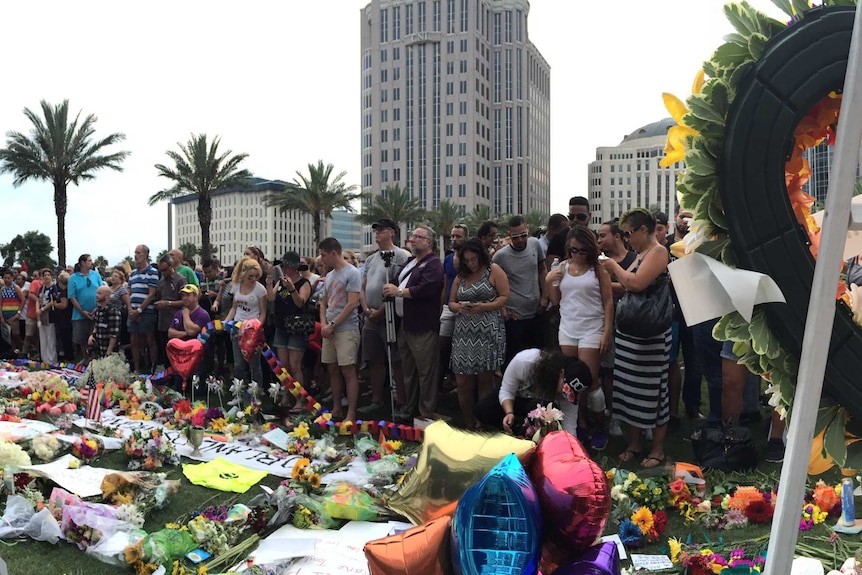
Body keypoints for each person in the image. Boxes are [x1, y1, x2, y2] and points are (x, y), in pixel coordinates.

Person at [600, 208, 671, 469]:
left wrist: (612, 267)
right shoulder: (641, 253)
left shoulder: (659, 251)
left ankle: (658, 448)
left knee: (653, 390)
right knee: (629, 388)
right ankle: (635, 442)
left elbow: (638, 283)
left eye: (629, 233)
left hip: (651, 334)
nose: (626, 239)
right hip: (631, 334)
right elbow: (628, 283)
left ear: (643, 230)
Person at [546, 225, 614, 450]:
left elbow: (607, 301)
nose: (577, 254)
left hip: (591, 329)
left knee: (591, 381)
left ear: (590, 249)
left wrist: (606, 332)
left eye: (582, 251)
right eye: (573, 250)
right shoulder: (562, 268)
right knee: (570, 382)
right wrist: (549, 281)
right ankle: (576, 426)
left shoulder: (599, 269)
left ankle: (600, 426)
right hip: (568, 328)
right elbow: (556, 301)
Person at [383, 226, 445, 422]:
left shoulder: (433, 264)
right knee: (409, 369)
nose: (413, 240)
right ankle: (410, 407)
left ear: (428, 242)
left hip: (423, 325)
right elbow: (397, 282)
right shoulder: (411, 262)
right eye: (412, 237)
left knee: (426, 371)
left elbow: (428, 288)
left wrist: (399, 292)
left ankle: (426, 411)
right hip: (406, 324)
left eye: (418, 237)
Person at [448, 239, 509, 429]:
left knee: (484, 379)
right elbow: (450, 301)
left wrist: (484, 307)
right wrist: (458, 307)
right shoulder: (462, 276)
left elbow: (504, 296)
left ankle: (483, 421)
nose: (471, 263)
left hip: (487, 330)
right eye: (467, 260)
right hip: (463, 333)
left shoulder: (494, 270)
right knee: (463, 381)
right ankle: (468, 422)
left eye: (474, 259)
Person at [475, 348, 590, 436]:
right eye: (564, 389)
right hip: (516, 401)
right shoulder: (525, 361)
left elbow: (569, 426)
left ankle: (532, 435)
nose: (562, 395)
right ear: (561, 373)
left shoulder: (568, 397)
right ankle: (512, 428)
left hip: (536, 408)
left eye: (568, 394)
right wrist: (509, 413)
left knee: (548, 411)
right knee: (483, 408)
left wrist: (571, 448)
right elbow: (506, 390)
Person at [360, 219, 409, 415]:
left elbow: (398, 286)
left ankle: (402, 401)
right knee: (374, 359)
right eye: (375, 230)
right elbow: (363, 286)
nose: (377, 233)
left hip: (388, 316)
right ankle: (377, 399)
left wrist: (380, 310)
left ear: (391, 232)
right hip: (370, 315)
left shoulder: (400, 256)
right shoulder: (371, 259)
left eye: (381, 230)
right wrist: (365, 308)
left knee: (396, 360)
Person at [597, 220, 637, 437]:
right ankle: (614, 415)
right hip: (607, 323)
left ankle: (639, 421)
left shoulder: (634, 259)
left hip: (633, 323)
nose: (599, 240)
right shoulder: (599, 262)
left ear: (618, 236)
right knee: (610, 372)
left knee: (632, 371)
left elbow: (631, 285)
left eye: (603, 235)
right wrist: (623, 285)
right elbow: (625, 286)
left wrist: (613, 285)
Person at [492, 215, 548, 364]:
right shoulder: (500, 256)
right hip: (514, 316)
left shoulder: (535, 244)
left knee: (537, 356)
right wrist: (502, 308)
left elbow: (543, 270)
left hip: (536, 311)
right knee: (516, 358)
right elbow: (493, 283)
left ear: (528, 230)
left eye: (523, 236)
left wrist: (545, 297)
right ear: (509, 235)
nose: (520, 241)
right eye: (515, 237)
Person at [318, 237, 362, 422]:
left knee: (348, 370)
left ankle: (351, 412)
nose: (321, 259)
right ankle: (336, 408)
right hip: (329, 329)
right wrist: (324, 324)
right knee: (332, 369)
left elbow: (352, 303)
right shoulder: (329, 276)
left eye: (323, 255)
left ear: (333, 253)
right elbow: (323, 302)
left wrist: (333, 324)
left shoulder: (352, 273)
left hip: (346, 329)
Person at [270, 252, 313, 394]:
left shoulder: (304, 283)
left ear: (295, 268)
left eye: (287, 266)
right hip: (281, 326)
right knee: (284, 366)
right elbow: (270, 297)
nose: (284, 268)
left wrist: (292, 289)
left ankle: (300, 399)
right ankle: (286, 396)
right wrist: (269, 282)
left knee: (295, 365)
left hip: (297, 328)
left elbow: (300, 303)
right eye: (283, 265)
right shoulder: (281, 281)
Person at [224, 256, 269, 385]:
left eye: (256, 276)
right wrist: (226, 321)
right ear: (243, 275)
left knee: (254, 365)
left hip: (252, 330)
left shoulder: (260, 289)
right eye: (250, 277)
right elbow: (234, 308)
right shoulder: (236, 286)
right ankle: (238, 392)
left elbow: (263, 313)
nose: (253, 279)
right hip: (237, 328)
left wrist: (256, 329)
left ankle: (256, 393)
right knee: (238, 364)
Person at [439, 224, 469, 394]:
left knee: (461, 346)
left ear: (465, 237)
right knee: (443, 344)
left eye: (458, 236)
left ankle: (459, 382)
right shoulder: (449, 259)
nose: (454, 239)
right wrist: (441, 306)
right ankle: (445, 378)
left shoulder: (471, 259)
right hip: (448, 307)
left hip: (466, 306)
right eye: (452, 236)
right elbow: (444, 284)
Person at [128, 245, 160, 374]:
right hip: (133, 312)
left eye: (139, 253)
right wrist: (131, 310)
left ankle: (153, 367)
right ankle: (136, 368)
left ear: (146, 255)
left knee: (149, 338)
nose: (136, 255)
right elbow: (128, 292)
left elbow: (152, 294)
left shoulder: (152, 272)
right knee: (134, 340)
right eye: (135, 252)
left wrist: (139, 310)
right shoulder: (132, 274)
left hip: (146, 312)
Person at [68, 254, 104, 365]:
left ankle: (94, 359)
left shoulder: (96, 275)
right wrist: (82, 311)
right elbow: (72, 297)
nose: (91, 262)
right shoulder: (73, 278)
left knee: (94, 337)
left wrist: (96, 309)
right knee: (82, 339)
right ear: (82, 263)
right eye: (89, 260)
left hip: (95, 312)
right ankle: (86, 358)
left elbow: (102, 290)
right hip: (79, 314)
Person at [154, 254, 188, 370]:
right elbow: (158, 298)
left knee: (176, 351)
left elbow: (185, 301)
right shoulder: (161, 282)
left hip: (176, 322)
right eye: (161, 270)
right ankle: (168, 375)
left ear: (171, 266)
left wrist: (168, 303)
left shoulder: (180, 280)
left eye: (164, 269)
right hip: (162, 322)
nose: (163, 272)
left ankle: (178, 376)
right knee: (165, 352)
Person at [87, 286, 121, 359]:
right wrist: (92, 335)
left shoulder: (113, 311)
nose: (96, 295)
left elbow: (114, 335)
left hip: (110, 351)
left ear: (107, 296)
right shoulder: (98, 310)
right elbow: (96, 325)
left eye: (100, 293)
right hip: (98, 349)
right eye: (97, 293)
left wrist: (108, 353)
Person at [0, 269, 25, 354]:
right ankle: (12, 352)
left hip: (13, 315)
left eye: (8, 278)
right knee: (8, 336)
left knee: (16, 334)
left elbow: (23, 300)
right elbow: (0, 303)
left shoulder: (16, 288)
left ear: (12, 278)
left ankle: (22, 350)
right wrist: (1, 316)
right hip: (5, 316)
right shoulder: (2, 289)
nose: (7, 280)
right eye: (5, 278)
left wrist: (18, 312)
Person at [37, 269, 58, 364]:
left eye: (48, 275)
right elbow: (38, 299)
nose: (46, 277)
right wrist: (37, 309)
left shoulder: (53, 287)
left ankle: (52, 360)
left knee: (50, 337)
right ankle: (44, 359)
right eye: (45, 275)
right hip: (41, 315)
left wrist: (42, 309)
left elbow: (53, 301)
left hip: (50, 314)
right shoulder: (41, 288)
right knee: (43, 338)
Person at [53, 272, 73, 361]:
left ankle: (68, 356)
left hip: (64, 319)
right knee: (67, 338)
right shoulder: (70, 290)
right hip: (68, 318)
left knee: (66, 339)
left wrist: (55, 304)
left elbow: (64, 305)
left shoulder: (64, 293)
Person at [22, 269, 42, 360]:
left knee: (38, 336)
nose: (35, 277)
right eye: (34, 275)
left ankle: (39, 353)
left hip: (41, 315)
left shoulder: (45, 284)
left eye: (36, 275)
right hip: (32, 313)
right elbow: (31, 294)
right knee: (28, 335)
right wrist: (39, 301)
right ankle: (24, 353)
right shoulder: (35, 283)